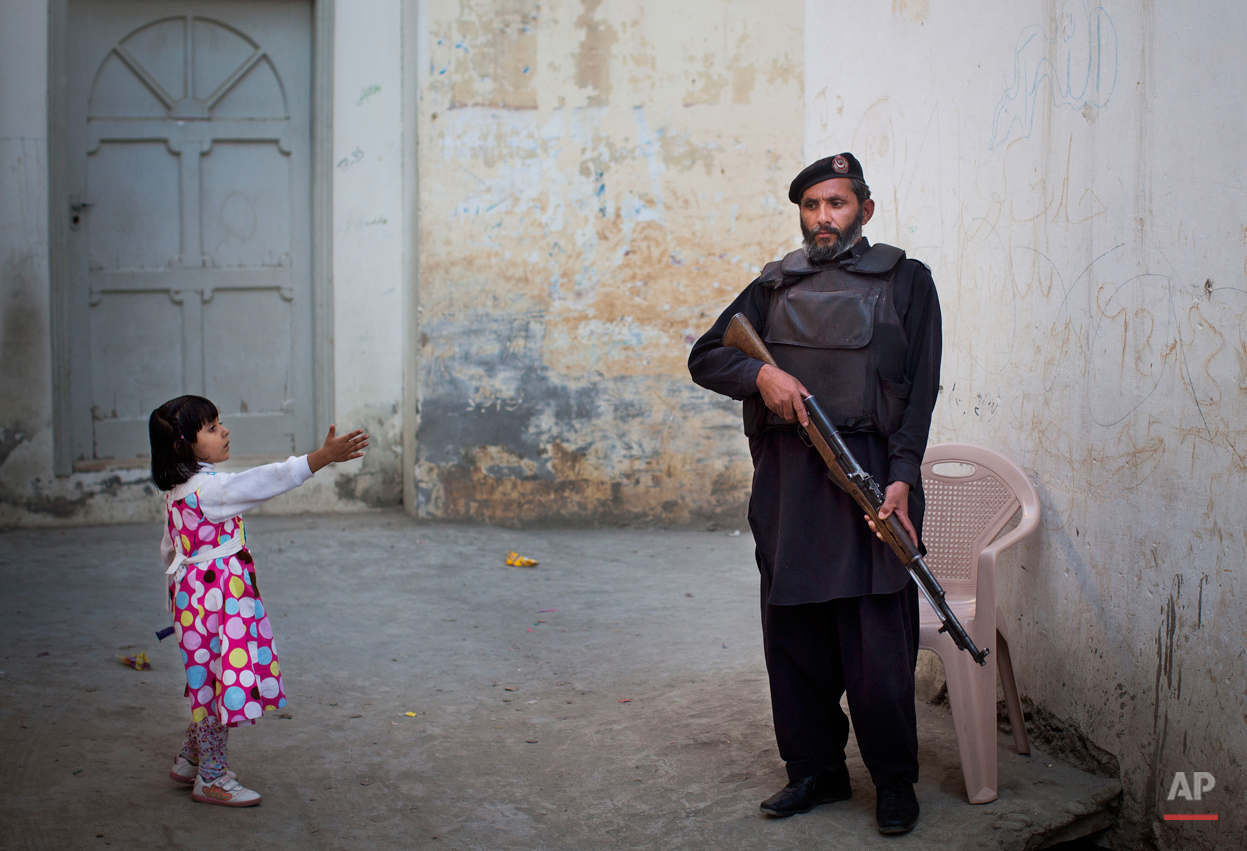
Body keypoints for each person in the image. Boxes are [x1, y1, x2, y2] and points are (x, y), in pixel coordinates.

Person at [687, 152, 941, 834]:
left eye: (835, 202)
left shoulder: (907, 280)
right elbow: (706, 356)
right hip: (789, 484)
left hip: (867, 477)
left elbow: (919, 392)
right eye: (810, 205)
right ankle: (816, 769)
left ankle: (892, 780)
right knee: (794, 635)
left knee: (878, 647)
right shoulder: (772, 286)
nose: (822, 217)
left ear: (864, 207)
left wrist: (903, 476)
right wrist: (758, 376)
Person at [149, 395, 368, 807]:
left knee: (205, 680)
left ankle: (189, 759)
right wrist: (320, 457)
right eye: (212, 428)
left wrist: (177, 608)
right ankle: (211, 779)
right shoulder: (211, 490)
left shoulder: (178, 492)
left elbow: (169, 550)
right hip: (217, 605)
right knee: (217, 687)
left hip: (192, 603)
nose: (224, 430)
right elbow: (267, 480)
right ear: (183, 446)